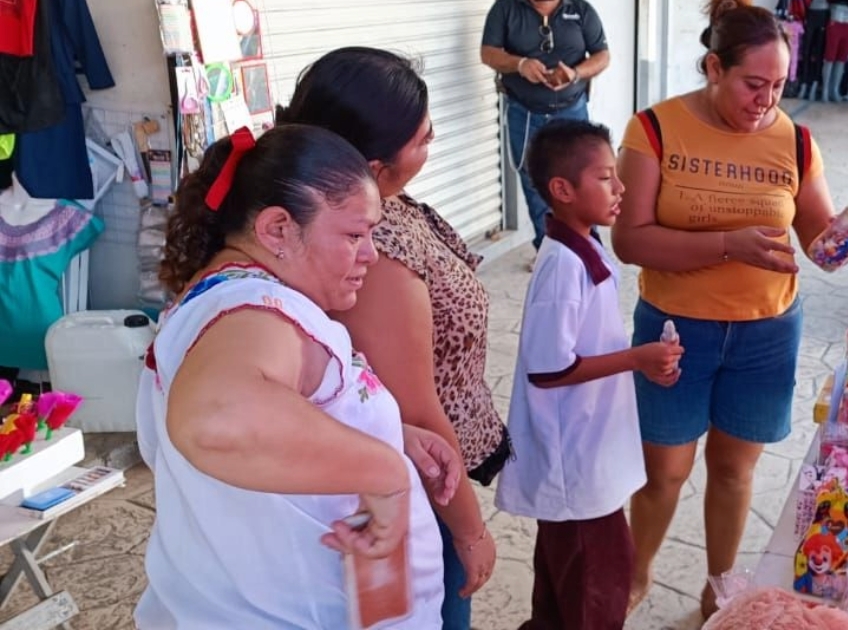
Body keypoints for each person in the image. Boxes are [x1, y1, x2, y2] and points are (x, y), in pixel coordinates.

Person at [611, 0, 848, 619]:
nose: (767, 101)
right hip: (676, 331)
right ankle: (635, 576)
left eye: (780, 85)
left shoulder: (794, 140)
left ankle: (719, 590)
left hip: (765, 333)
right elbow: (630, 240)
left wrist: (841, 243)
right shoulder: (654, 128)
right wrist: (729, 243)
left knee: (734, 473)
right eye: (752, 84)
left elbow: (812, 238)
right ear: (713, 68)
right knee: (665, 475)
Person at [135, 125, 454, 627]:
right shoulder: (260, 309)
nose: (369, 253)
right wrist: (383, 471)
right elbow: (218, 419)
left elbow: (285, 414)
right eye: (353, 234)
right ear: (278, 229)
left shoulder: (216, 294)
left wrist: (383, 432)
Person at [276, 47, 507, 630]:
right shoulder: (377, 254)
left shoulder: (374, 214)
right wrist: (470, 531)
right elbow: (416, 408)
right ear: (375, 167)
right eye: (424, 138)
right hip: (416, 496)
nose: (435, 141)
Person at [495, 119, 684, 629]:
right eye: (605, 178)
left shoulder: (586, 246)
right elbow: (549, 369)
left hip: (589, 448)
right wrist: (636, 359)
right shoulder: (561, 267)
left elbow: (587, 345)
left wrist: (646, 363)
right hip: (573, 465)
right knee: (596, 587)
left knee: (566, 583)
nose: (620, 188)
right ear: (562, 190)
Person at [481, 0, 610, 253]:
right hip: (525, 112)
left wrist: (576, 73)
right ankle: (550, 251)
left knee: (582, 178)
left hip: (572, 110)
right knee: (535, 183)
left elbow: (603, 56)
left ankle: (590, 250)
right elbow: (488, 54)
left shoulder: (581, 9)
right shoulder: (505, 9)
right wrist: (520, 64)